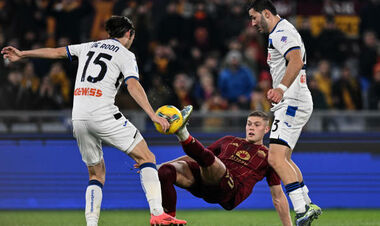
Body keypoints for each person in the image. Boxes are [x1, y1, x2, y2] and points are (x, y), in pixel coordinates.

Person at [1, 16, 186, 226]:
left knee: (96, 174)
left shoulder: (89, 46)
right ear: (129, 34)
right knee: (147, 157)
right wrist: (153, 115)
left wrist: (23, 54)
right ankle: (157, 214)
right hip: (103, 113)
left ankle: (91, 224)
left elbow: (56, 52)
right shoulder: (126, 55)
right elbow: (133, 85)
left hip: (78, 117)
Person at [248, 1, 322, 225]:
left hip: (292, 101)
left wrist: (280, 89)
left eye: (254, 18)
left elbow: (296, 60)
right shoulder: (282, 31)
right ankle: (307, 203)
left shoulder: (281, 32)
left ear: (266, 13)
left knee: (275, 157)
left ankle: (301, 211)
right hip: (295, 100)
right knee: (284, 158)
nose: (253, 24)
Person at [157, 106, 292, 226]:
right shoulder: (228, 140)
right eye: (249, 124)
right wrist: (159, 165)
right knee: (165, 172)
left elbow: (278, 196)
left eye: (257, 125)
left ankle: (182, 133)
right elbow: (197, 156)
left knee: (208, 158)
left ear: (266, 129)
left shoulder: (270, 156)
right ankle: (169, 220)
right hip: (204, 184)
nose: (251, 127)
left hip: (230, 190)